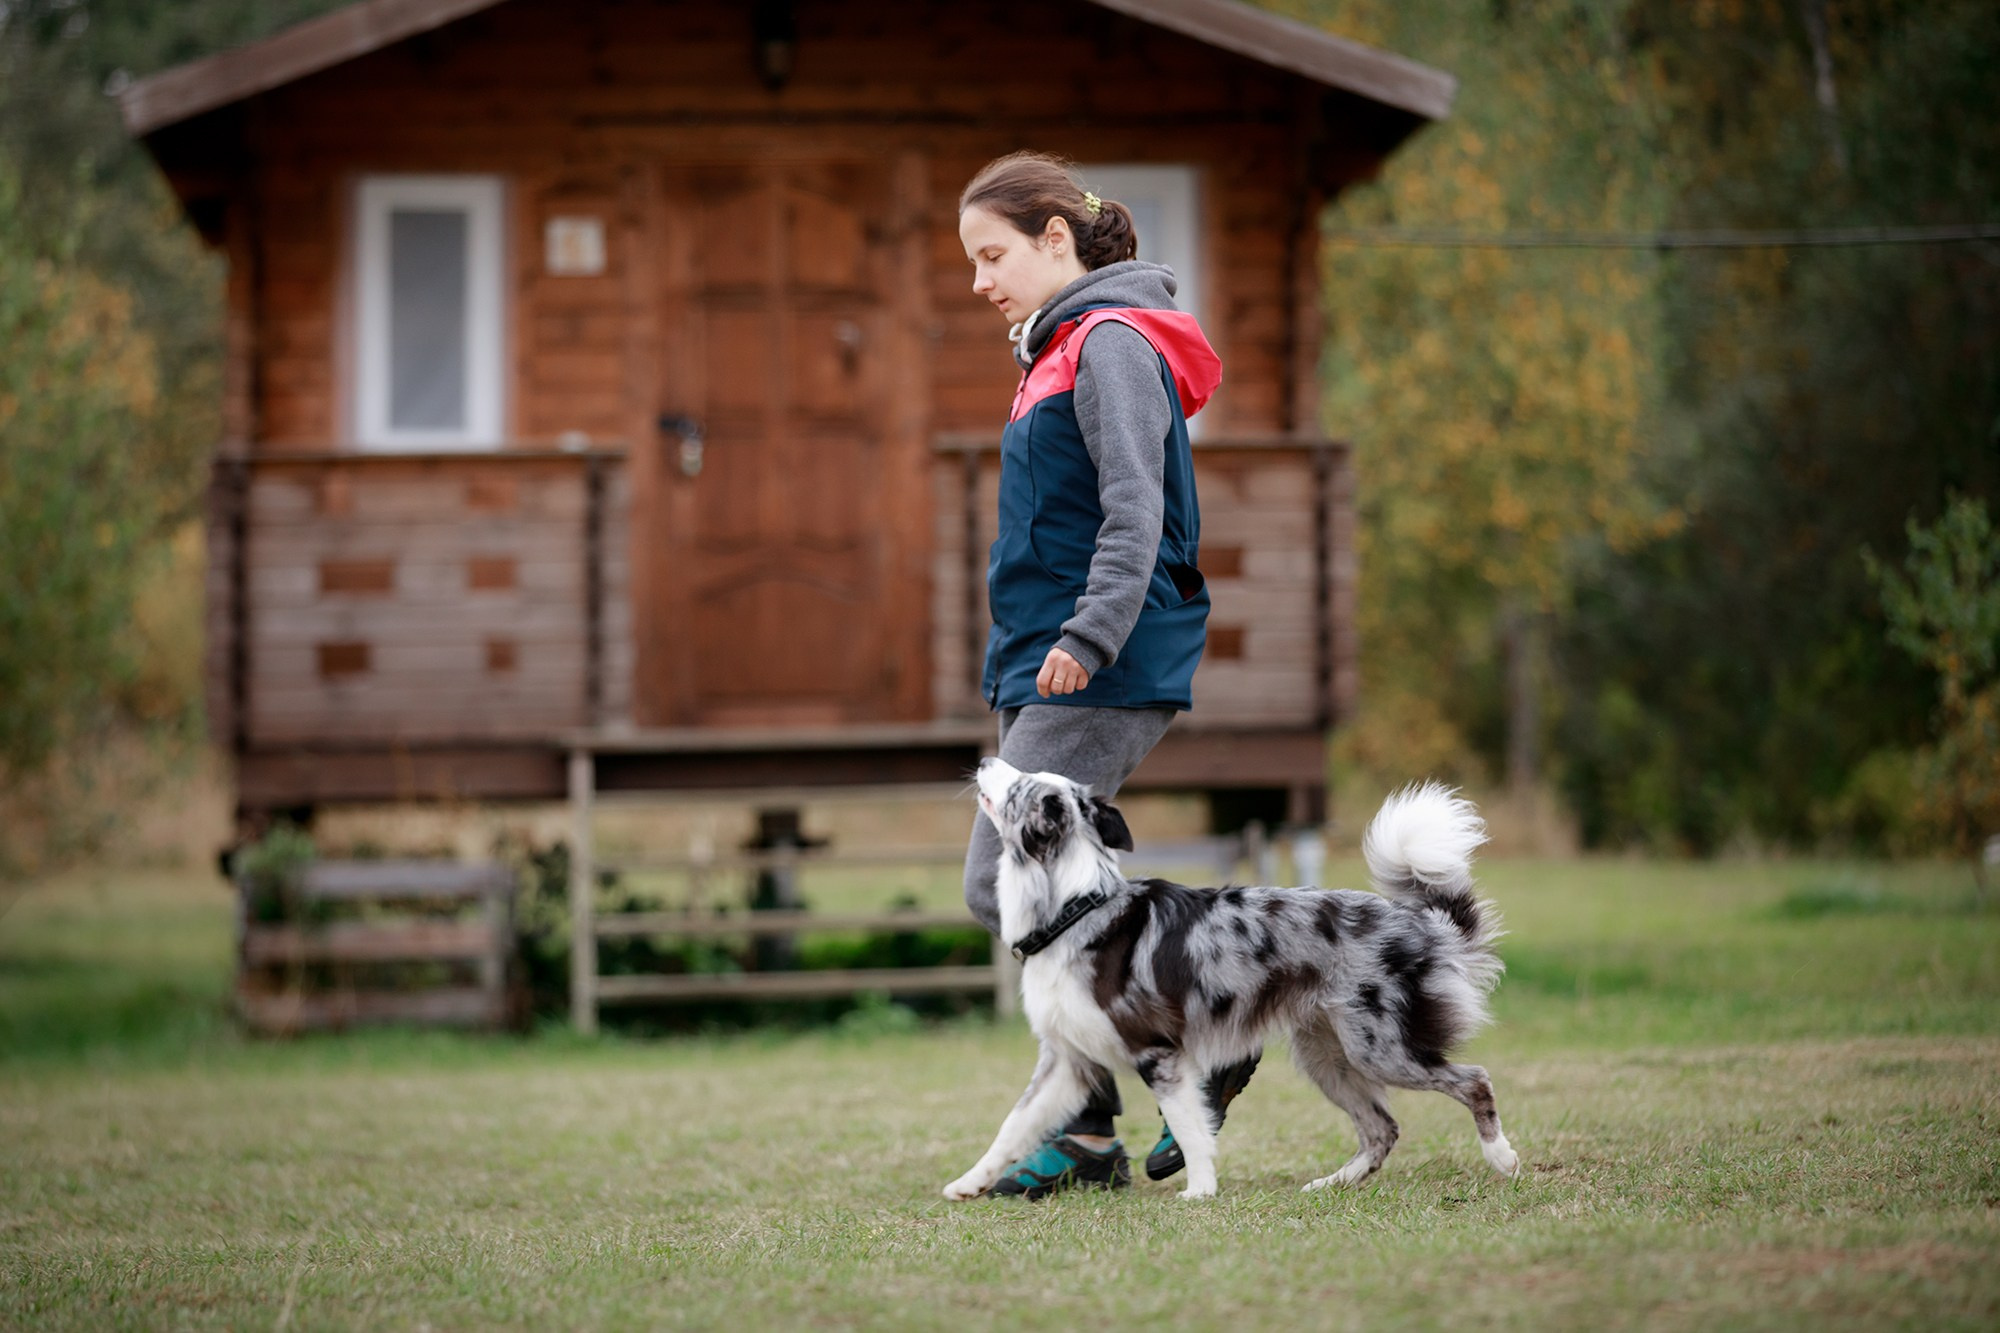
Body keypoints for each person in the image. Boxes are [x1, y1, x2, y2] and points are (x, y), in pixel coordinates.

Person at [956, 152, 1258, 1199]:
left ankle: (1199, 1033)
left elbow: (1135, 508)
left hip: (1102, 657)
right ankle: (1104, 1115)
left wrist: (1086, 637)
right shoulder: (1057, 347)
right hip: (1049, 659)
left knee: (1004, 883)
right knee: (1048, 886)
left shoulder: (1111, 343)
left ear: (1055, 239)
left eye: (992, 255)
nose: (980, 280)